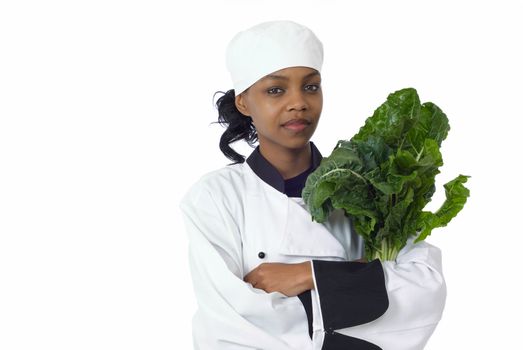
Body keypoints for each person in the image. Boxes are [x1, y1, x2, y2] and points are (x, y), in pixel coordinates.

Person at [180, 20, 446, 350]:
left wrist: (308, 275)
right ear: (244, 103)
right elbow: (229, 325)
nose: (299, 103)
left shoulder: (369, 191)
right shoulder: (215, 198)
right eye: (276, 90)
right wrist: (358, 281)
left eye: (310, 87)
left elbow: (425, 291)